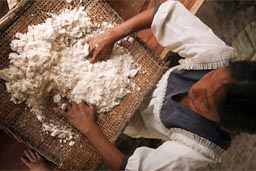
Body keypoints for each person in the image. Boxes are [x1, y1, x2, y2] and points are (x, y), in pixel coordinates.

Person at [21, 0, 256, 170]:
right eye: (208, 79)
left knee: (112, 136)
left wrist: (89, 127)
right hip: (140, 79)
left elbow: (127, 166)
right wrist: (113, 34)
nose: (195, 89)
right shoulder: (215, 56)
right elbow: (163, 13)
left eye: (204, 101)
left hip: (138, 121)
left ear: (226, 126)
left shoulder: (197, 150)